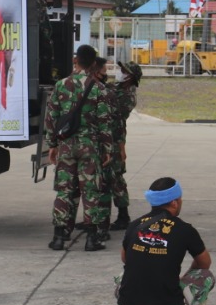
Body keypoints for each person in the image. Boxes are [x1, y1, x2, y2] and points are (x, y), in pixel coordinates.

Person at [115, 177, 215, 305]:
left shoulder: (135, 225)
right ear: (174, 202)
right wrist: (183, 278)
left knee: (121, 276)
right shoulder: (185, 229)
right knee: (206, 276)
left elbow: (125, 259)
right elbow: (204, 264)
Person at [43, 44, 97, 250]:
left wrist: (53, 145)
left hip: (66, 146)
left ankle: (59, 237)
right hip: (89, 147)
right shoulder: (98, 88)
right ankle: (92, 239)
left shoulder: (61, 85)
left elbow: (51, 118)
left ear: (76, 60)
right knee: (90, 190)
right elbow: (105, 123)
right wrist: (108, 149)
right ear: (93, 63)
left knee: (64, 191)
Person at [77, 56, 117, 250]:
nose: (106, 74)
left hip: (92, 145)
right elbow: (103, 121)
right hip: (95, 146)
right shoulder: (98, 89)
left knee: (99, 188)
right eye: (104, 71)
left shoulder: (103, 90)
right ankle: (95, 228)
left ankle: (100, 227)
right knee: (95, 188)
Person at [108, 61, 143, 231]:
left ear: (130, 77)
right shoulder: (118, 88)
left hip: (114, 140)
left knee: (116, 180)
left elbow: (112, 113)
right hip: (106, 139)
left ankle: (123, 216)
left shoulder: (127, 96)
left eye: (123, 71)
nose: (119, 72)